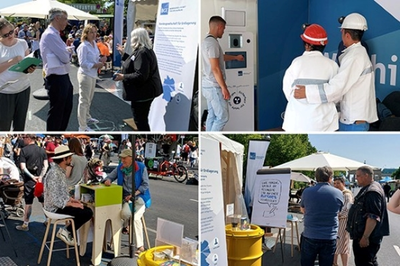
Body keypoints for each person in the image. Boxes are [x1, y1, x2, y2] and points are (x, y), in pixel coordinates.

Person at [294, 13, 378, 131]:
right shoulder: (355, 53)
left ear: (347, 35)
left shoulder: (355, 56)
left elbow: (338, 86)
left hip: (353, 122)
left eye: (342, 32)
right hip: (351, 119)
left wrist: (308, 92)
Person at [282, 24, 339, 132]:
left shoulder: (296, 63)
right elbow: (336, 95)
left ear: (307, 45)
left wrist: (302, 101)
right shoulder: (332, 65)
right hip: (324, 123)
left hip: (296, 123)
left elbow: (288, 90)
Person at [114, 28, 163, 131]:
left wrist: (123, 77)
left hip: (143, 93)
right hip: (146, 92)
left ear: (136, 39)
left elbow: (140, 75)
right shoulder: (145, 51)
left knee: (140, 120)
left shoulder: (142, 53)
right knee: (141, 119)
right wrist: (124, 55)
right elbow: (134, 62)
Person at [104, 149, 151, 255]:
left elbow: (145, 185)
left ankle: (140, 246)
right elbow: (110, 176)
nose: (122, 160)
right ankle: (117, 237)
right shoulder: (120, 168)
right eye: (121, 158)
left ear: (131, 158)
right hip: (126, 199)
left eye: (124, 158)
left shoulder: (141, 167)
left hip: (140, 198)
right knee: (120, 215)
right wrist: (108, 180)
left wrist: (134, 194)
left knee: (135, 218)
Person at [201, 16, 245, 131]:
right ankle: (213, 141)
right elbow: (215, 68)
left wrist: (235, 57)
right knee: (222, 117)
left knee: (212, 115)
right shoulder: (212, 43)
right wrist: (224, 88)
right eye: (223, 29)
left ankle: (208, 141)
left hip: (207, 84)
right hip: (214, 86)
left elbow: (219, 58)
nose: (224, 32)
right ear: (219, 27)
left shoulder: (207, 41)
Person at [44, 145, 93, 246]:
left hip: (55, 205)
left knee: (84, 210)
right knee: (87, 212)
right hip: (54, 208)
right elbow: (55, 200)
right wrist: (71, 204)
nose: (71, 159)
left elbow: (60, 193)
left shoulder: (58, 171)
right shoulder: (55, 173)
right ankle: (66, 231)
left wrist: (71, 200)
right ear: (64, 159)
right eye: (69, 157)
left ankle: (68, 232)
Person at [300, 166, 344, 266]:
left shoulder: (307, 192)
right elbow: (338, 212)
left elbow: (303, 209)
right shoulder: (338, 193)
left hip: (310, 234)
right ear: (330, 177)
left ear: (316, 177)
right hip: (329, 236)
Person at [346, 166, 390, 266]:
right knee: (368, 261)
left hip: (367, 237)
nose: (356, 178)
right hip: (364, 235)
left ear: (366, 175)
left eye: (358, 176)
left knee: (365, 262)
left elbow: (372, 217)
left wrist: (365, 237)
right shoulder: (370, 188)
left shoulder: (372, 191)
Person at [40, 8, 74, 131]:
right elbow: (65, 57)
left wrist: (67, 51)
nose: (67, 22)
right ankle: (55, 134)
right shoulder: (50, 34)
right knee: (58, 112)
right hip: (57, 78)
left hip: (62, 76)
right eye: (65, 19)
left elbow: (65, 55)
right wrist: (68, 52)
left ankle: (58, 133)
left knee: (64, 110)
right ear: (57, 18)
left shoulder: (54, 34)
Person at [0, 18, 37, 131]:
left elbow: (27, 60)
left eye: (11, 32)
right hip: (5, 91)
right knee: (4, 125)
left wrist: (31, 68)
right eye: (6, 35)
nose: (10, 36)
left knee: (20, 124)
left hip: (23, 88)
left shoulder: (22, 43)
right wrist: (11, 62)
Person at [76, 24, 106, 132]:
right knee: (83, 101)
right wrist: (96, 65)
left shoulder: (94, 44)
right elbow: (82, 63)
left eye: (95, 32)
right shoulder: (83, 46)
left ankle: (87, 117)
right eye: (91, 32)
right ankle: (82, 127)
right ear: (86, 33)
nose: (94, 34)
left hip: (92, 74)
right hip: (85, 75)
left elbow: (95, 57)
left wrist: (101, 59)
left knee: (89, 99)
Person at [15, 134, 48, 231]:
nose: (23, 139)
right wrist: (41, 177)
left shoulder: (24, 150)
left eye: (24, 137)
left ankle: (25, 224)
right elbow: (45, 165)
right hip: (40, 180)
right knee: (43, 201)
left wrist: (33, 177)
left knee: (28, 203)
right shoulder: (42, 150)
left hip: (30, 180)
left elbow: (23, 167)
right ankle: (48, 220)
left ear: (29, 138)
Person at [333, 176, 353, 266]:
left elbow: (347, 210)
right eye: (335, 183)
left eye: (338, 183)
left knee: (343, 246)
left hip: (343, 222)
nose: (336, 185)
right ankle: (335, 263)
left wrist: (336, 215)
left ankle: (344, 264)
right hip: (338, 222)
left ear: (343, 183)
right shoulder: (339, 193)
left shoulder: (347, 194)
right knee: (337, 245)